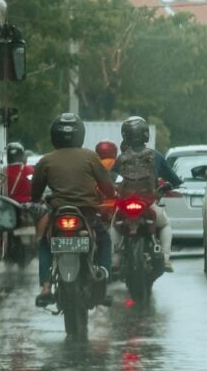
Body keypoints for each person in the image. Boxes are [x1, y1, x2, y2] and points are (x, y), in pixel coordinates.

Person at [31, 113, 116, 307]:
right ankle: (102, 275)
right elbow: (107, 187)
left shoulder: (46, 160)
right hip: (86, 215)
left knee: (45, 243)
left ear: (54, 135)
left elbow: (35, 192)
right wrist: (111, 195)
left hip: (57, 214)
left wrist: (36, 201)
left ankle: (45, 287)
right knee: (104, 241)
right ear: (80, 134)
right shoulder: (90, 157)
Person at [110, 116, 182, 272]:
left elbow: (111, 178)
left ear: (125, 135)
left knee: (115, 225)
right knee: (165, 225)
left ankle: (115, 258)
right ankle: (165, 258)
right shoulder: (155, 155)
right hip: (148, 204)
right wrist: (172, 185)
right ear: (145, 134)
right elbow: (175, 180)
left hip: (125, 205)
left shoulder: (121, 158)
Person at [95, 140, 119, 219]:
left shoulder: (94, 163)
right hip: (116, 203)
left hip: (99, 204)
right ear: (114, 152)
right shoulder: (117, 163)